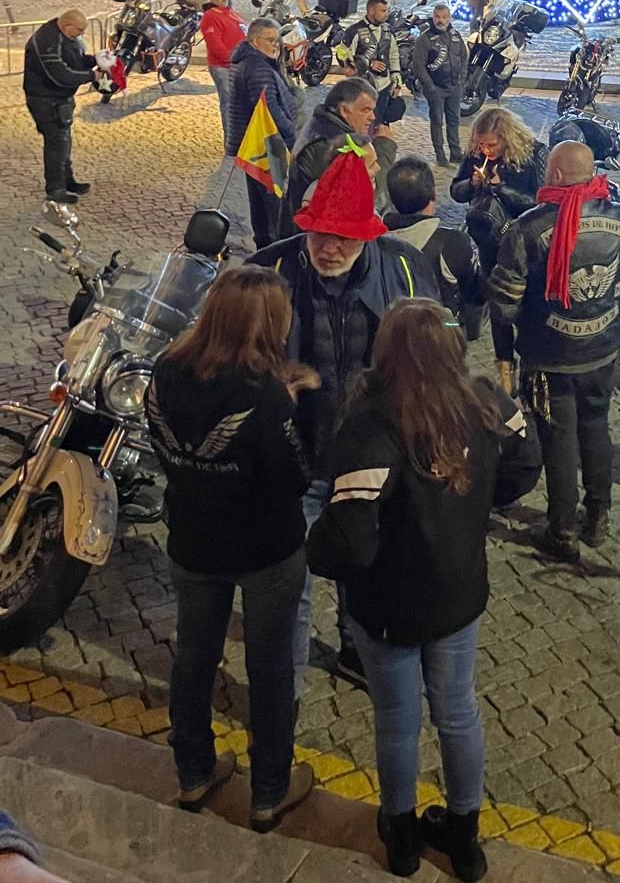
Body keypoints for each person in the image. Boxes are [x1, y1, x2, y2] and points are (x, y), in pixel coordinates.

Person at [307, 300, 541, 882]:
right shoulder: (487, 400)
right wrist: (482, 501)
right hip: (458, 594)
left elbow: (350, 540)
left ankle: (402, 836)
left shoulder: (371, 423)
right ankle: (464, 839)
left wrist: (318, 552)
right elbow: (526, 460)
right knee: (458, 710)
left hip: (388, 605)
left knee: (397, 720)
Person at [250, 150, 439, 692]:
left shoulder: (405, 268)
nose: (329, 248)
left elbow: (442, 340)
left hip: (370, 463)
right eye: (319, 236)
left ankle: (357, 650)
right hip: (300, 456)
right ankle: (284, 689)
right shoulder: (271, 270)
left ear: (367, 236)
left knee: (365, 563)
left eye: (344, 237)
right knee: (292, 581)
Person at [146, 268, 317, 830]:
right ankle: (268, 791)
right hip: (265, 551)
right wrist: (288, 402)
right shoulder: (263, 395)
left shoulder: (166, 371)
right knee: (270, 671)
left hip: (194, 541)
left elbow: (160, 443)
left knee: (193, 658)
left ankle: (193, 772)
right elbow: (293, 478)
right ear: (267, 322)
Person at [489, 140, 620, 561]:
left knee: (558, 440)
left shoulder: (527, 228)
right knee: (596, 429)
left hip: (549, 357)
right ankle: (598, 516)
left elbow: (504, 304)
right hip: (602, 351)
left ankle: (563, 530)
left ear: (555, 175)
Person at [385, 157, 486, 336]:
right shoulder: (452, 242)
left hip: (391, 329)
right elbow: (475, 292)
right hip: (442, 333)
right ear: (433, 194)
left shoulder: (375, 241)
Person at [282, 75, 395, 234]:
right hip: (317, 238)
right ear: (344, 110)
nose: (372, 117)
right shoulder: (329, 145)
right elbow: (367, 197)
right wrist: (384, 147)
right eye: (366, 110)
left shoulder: (322, 126)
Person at [449, 105, 549, 275]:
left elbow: (541, 203)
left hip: (522, 237)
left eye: (492, 145)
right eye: (482, 144)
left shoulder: (533, 154)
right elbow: (456, 192)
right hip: (486, 234)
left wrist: (500, 188)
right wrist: (471, 184)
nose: (486, 150)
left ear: (507, 138)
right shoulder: (476, 153)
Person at [226, 17, 298, 249]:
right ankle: (273, 252)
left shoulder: (247, 61)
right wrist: (291, 132)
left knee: (259, 204)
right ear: (255, 42)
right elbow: (269, 110)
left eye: (277, 40)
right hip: (268, 146)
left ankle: (264, 246)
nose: (276, 45)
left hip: (254, 144)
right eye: (270, 40)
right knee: (274, 207)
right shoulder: (258, 68)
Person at [22, 8, 96, 204]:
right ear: (66, 26)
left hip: (59, 99)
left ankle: (67, 180)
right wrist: (92, 75)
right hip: (45, 100)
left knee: (64, 140)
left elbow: (77, 61)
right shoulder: (47, 41)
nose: (80, 35)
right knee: (57, 144)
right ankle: (55, 189)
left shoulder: (64, 36)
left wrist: (96, 60)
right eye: (78, 31)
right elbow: (61, 74)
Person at [413, 3, 467, 166]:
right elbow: (418, 65)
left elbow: (464, 58)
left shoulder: (456, 36)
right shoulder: (424, 39)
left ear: (449, 18)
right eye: (437, 17)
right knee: (436, 121)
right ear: (433, 17)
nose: (440, 20)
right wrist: (429, 87)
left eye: (444, 17)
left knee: (454, 120)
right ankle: (440, 154)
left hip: (454, 86)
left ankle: (456, 153)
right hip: (435, 88)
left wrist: (461, 80)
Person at [340, 0, 406, 126]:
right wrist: (367, 64)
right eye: (382, 11)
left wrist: (396, 80)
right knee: (361, 126)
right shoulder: (354, 31)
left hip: (383, 87)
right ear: (371, 11)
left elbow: (393, 55)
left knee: (380, 125)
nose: (386, 14)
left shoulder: (388, 30)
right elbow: (342, 55)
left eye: (386, 11)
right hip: (361, 88)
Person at [199, 0, 246, 146]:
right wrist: (231, 59)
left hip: (239, 65)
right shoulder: (211, 16)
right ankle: (231, 140)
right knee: (229, 102)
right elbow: (214, 42)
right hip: (223, 66)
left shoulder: (231, 13)